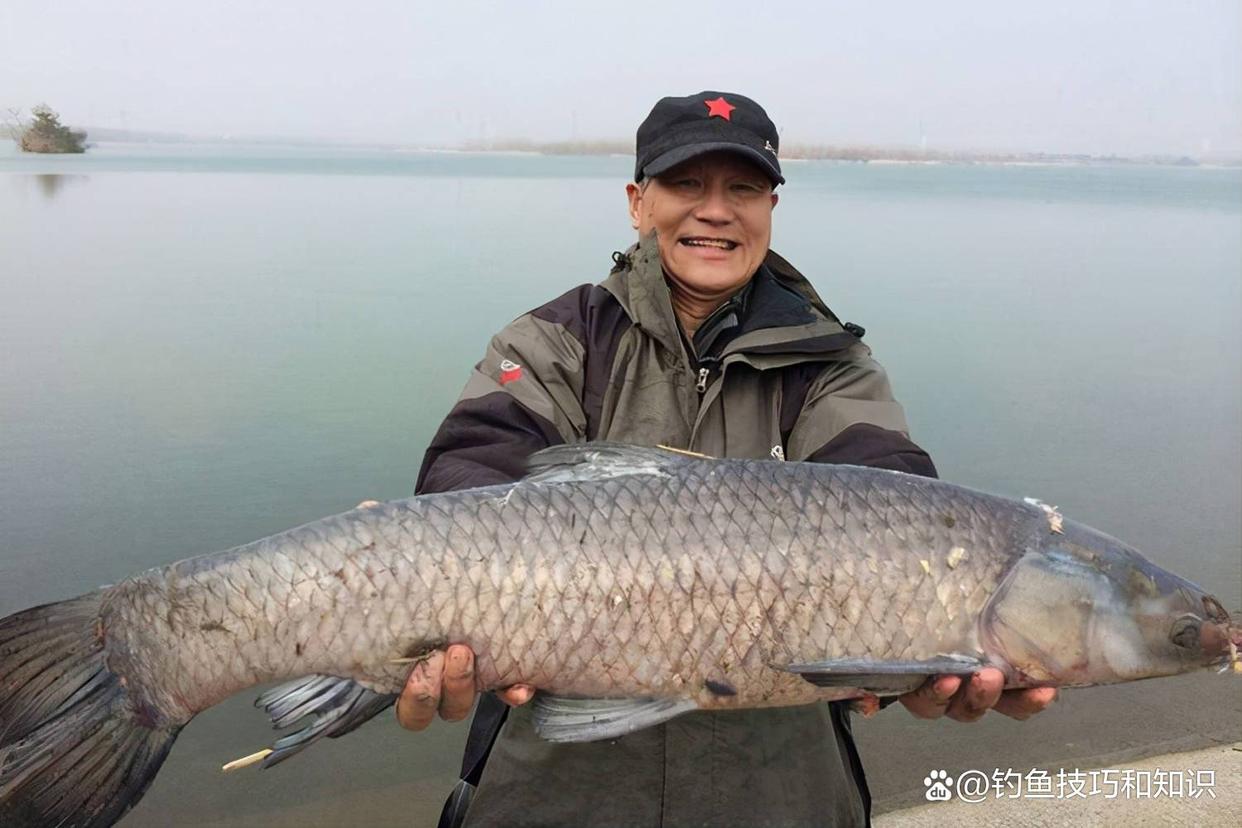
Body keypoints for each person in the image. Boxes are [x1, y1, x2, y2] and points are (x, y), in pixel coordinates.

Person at [398, 91, 1056, 826]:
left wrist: (942, 640)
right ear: (637, 203)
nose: (716, 211)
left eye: (743, 188)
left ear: (771, 207)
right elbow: (463, 479)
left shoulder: (832, 366)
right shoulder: (553, 340)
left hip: (781, 796)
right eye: (686, 185)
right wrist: (444, 612)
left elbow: (897, 498)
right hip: (550, 790)